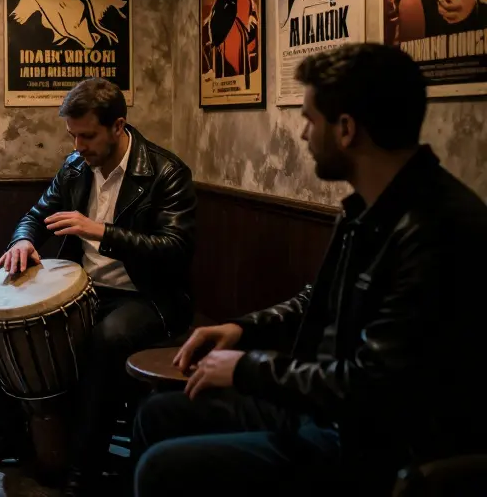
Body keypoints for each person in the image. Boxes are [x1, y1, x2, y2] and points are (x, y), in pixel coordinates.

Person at [133, 43, 487, 496]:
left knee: (162, 469)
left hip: (366, 443)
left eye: (310, 119)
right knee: (158, 413)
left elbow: (374, 386)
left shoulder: (436, 228)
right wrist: (242, 330)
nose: (302, 134)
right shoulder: (366, 208)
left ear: (346, 129)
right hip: (318, 406)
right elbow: (318, 300)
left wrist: (249, 369)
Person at [0, 77, 197, 496]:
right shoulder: (75, 167)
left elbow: (176, 248)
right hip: (87, 289)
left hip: (149, 296)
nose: (78, 146)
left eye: (87, 136)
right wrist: (23, 241)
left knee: (105, 339)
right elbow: (35, 215)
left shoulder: (165, 172)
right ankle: (10, 432)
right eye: (73, 136)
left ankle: (84, 466)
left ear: (118, 126)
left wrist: (103, 232)